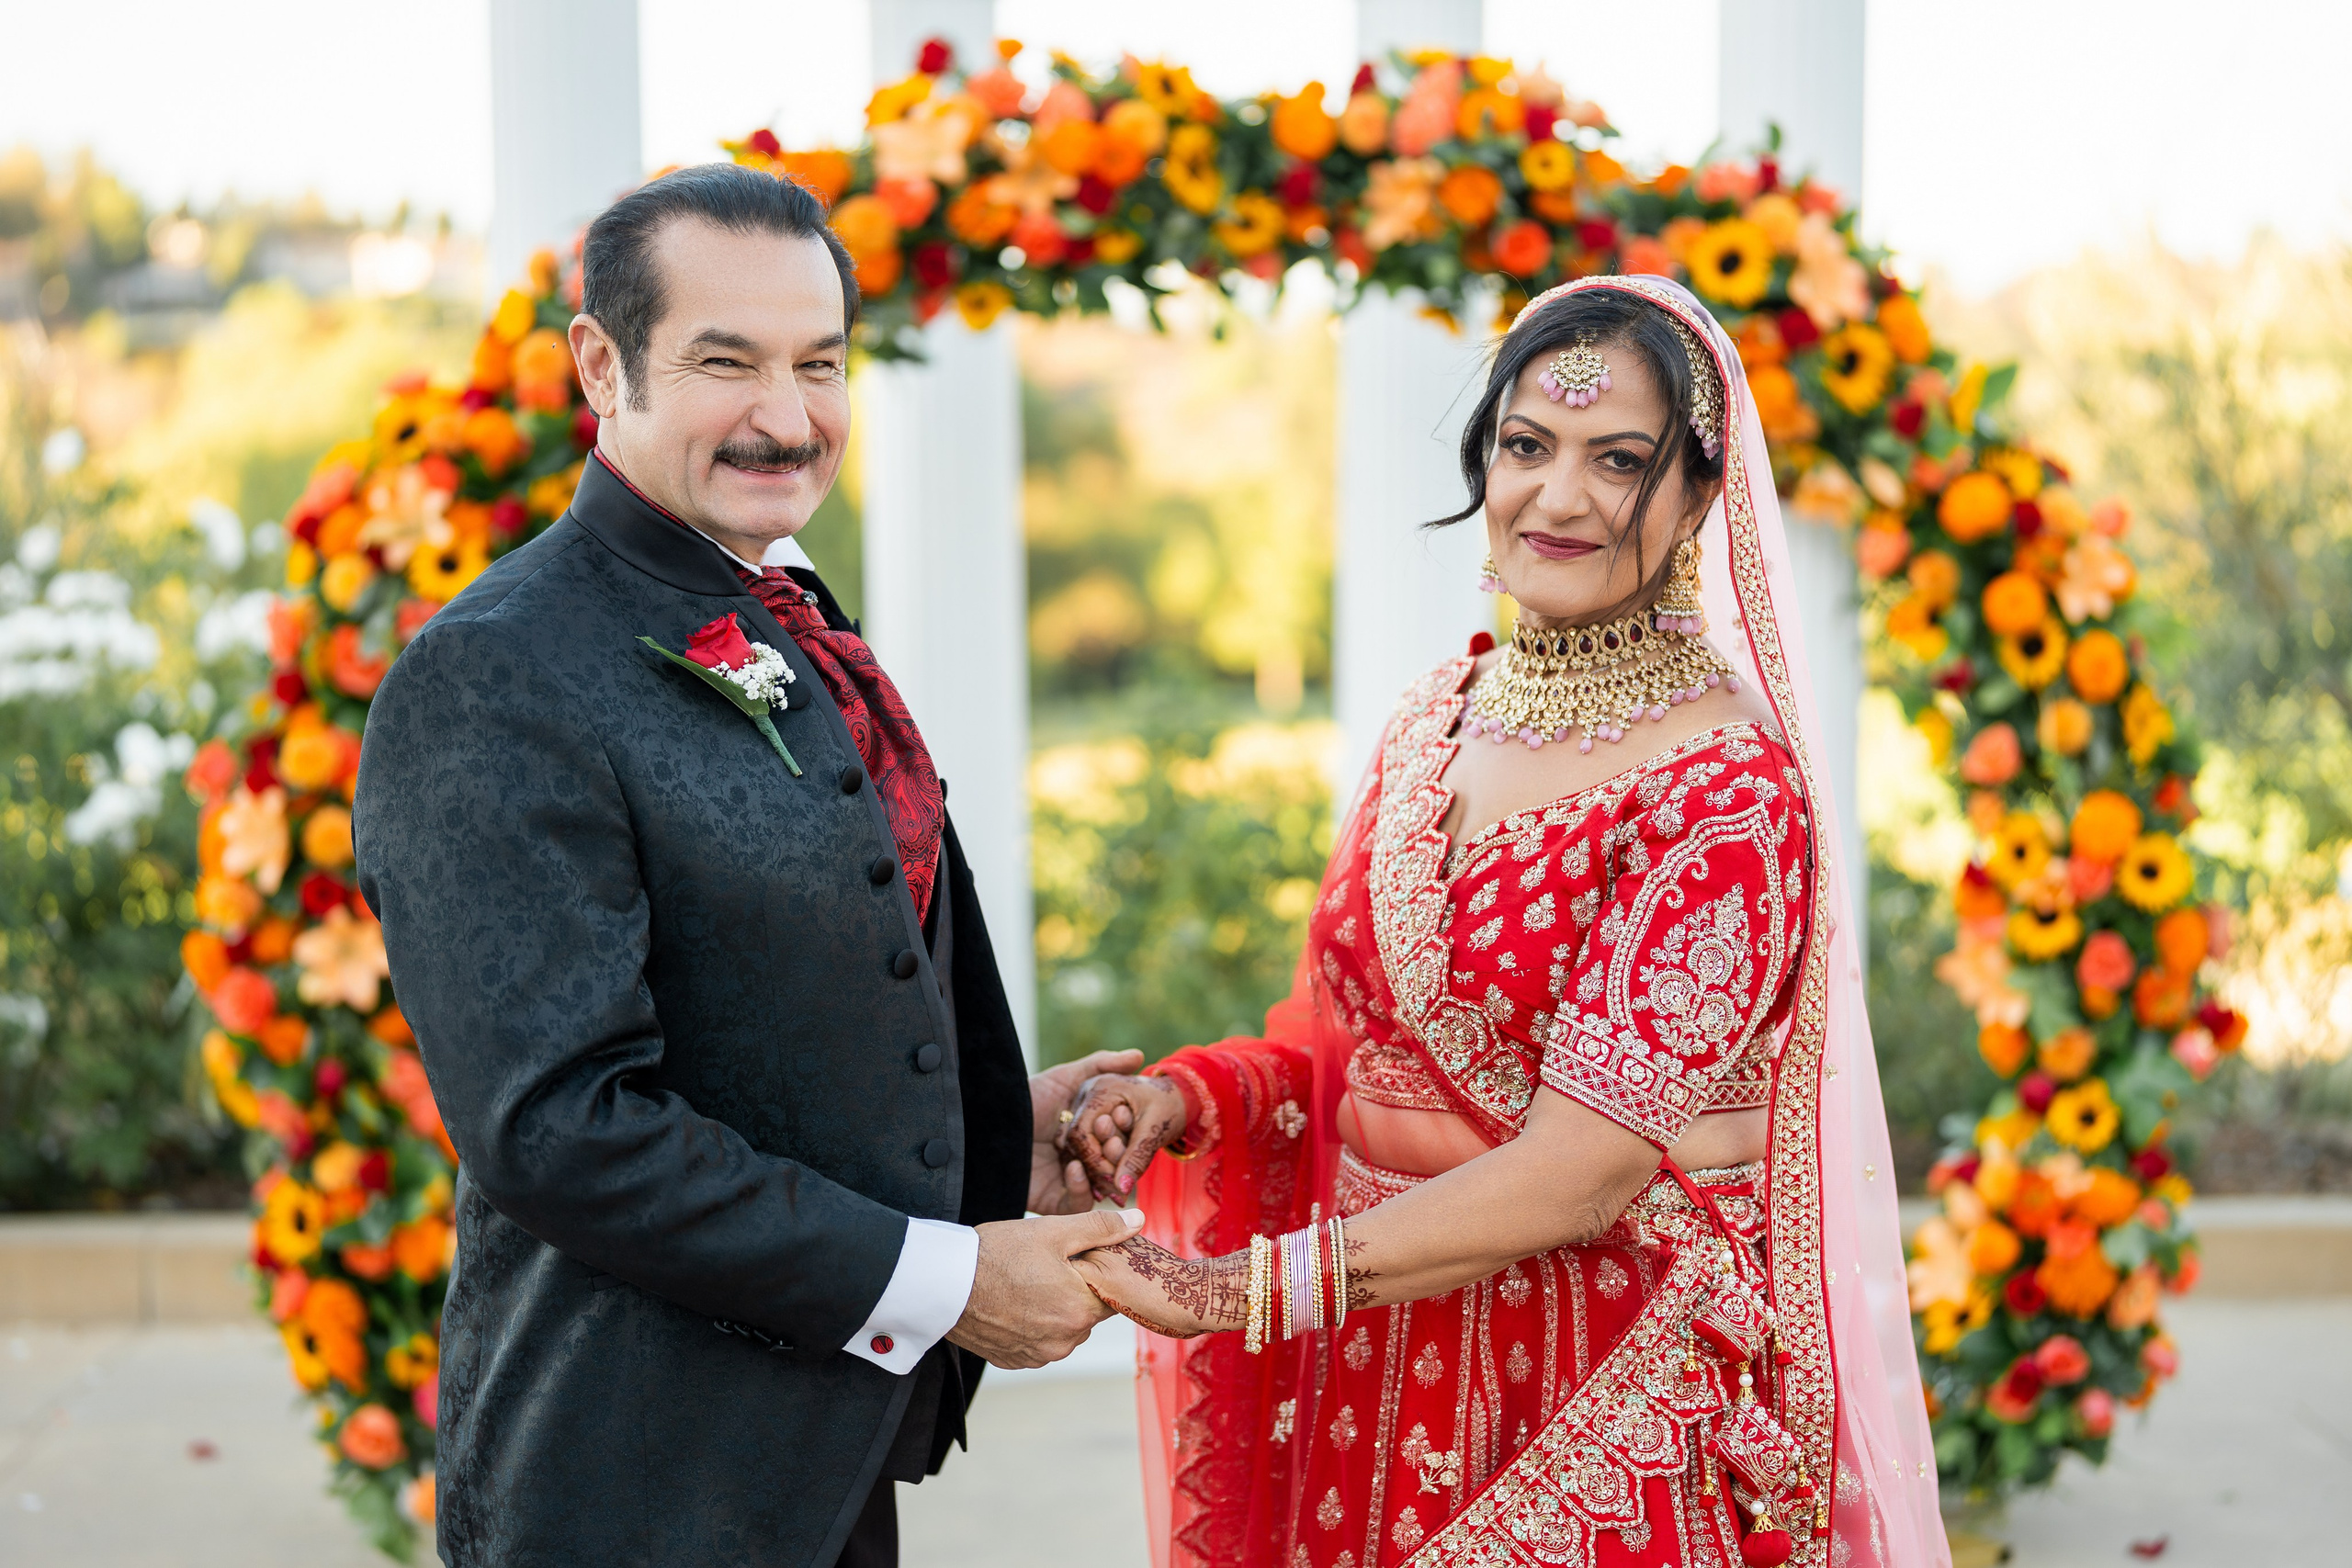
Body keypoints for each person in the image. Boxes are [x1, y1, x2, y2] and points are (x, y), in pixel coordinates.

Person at [1057, 276, 1949, 1568]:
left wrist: (1240, 1289)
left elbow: (1583, 1165)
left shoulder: (1725, 791)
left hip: (1597, 1391)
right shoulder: (1435, 720)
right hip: (1366, 1361)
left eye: (1621, 461)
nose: (1559, 495)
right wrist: (1192, 1104)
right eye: (1527, 446)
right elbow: (1357, 1053)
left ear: (1701, 497)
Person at [354, 162, 1141, 1568]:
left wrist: (986, 1138)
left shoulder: (778, 612)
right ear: (602, 361)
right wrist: (952, 1279)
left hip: (820, 1462)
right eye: (727, 363)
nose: (788, 418)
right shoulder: (491, 671)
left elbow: (753, 1001)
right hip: (633, 1478)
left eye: (819, 364)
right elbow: (565, 1127)